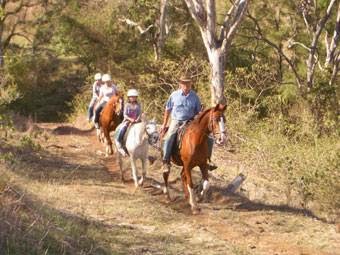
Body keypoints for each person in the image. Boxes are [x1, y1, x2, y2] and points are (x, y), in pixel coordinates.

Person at [160, 75, 216, 172]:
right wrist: (164, 124)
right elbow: (167, 109)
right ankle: (166, 161)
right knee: (169, 137)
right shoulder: (174, 95)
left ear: (191, 84)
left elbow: (198, 111)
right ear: (180, 84)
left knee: (209, 138)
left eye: (188, 83)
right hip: (176, 120)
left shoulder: (195, 96)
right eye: (184, 83)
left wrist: (200, 114)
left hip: (190, 121)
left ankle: (208, 160)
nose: (186, 85)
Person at [115, 89, 142, 156]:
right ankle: (119, 142)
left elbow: (139, 113)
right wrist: (131, 119)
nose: (133, 98)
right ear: (129, 98)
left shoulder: (138, 105)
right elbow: (125, 115)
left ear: (136, 97)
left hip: (137, 121)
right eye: (131, 97)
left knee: (145, 129)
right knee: (122, 129)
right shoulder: (127, 105)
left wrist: (137, 119)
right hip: (127, 121)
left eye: (134, 96)